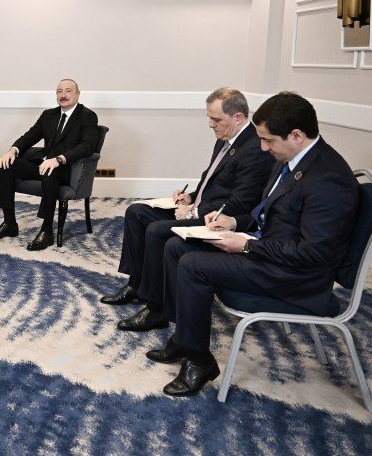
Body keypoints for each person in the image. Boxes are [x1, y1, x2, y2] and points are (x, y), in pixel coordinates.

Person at [148, 92, 358, 397]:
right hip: (270, 250)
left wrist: (246, 247)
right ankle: (185, 339)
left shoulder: (328, 179)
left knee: (193, 265)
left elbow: (314, 254)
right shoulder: (290, 159)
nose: (263, 148)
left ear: (296, 135)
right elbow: (267, 214)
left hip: (297, 277)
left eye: (268, 140)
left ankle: (199, 361)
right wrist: (234, 223)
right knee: (176, 246)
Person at [101, 88, 271, 333]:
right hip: (199, 208)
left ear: (238, 117)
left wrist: (194, 213)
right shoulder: (226, 137)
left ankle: (157, 309)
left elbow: (240, 202)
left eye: (216, 119)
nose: (210, 124)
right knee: (136, 212)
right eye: (209, 117)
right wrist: (190, 197)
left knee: (157, 231)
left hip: (217, 220)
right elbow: (211, 179)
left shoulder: (255, 149)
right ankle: (137, 284)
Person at [0, 78, 99, 250]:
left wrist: (59, 159)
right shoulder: (48, 115)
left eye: (68, 91)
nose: (63, 95)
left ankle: (47, 230)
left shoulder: (87, 116)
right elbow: (29, 137)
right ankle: (9, 223)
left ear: (78, 94)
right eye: (59, 91)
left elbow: (87, 147)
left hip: (68, 169)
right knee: (6, 165)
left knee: (49, 171)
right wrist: (12, 150)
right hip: (44, 164)